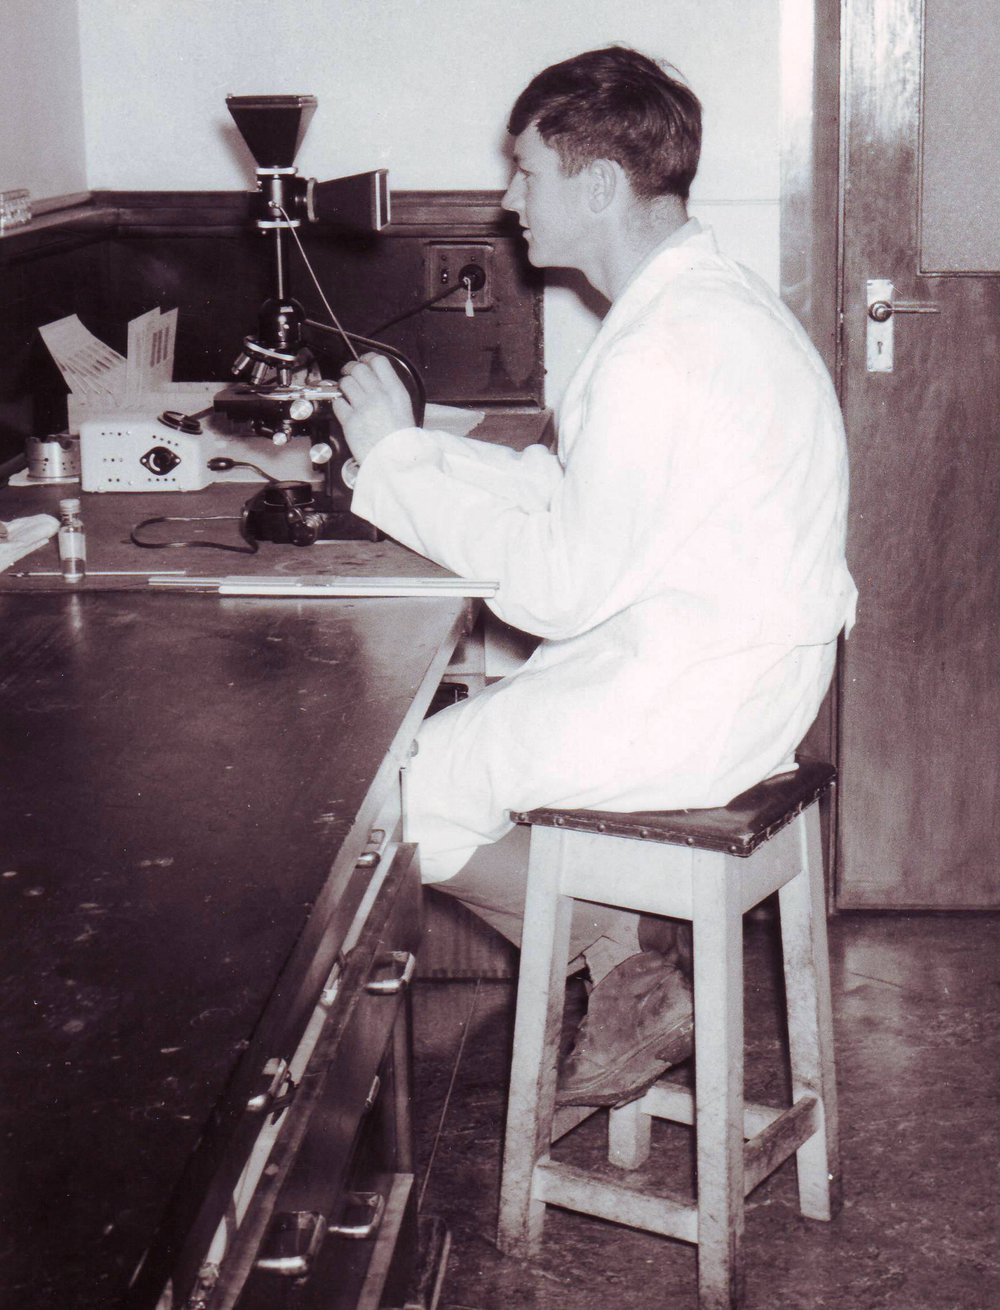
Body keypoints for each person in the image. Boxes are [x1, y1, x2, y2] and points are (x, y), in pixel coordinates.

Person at [332, 46, 857, 1106]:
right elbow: (573, 491)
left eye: (525, 171)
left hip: (698, 698)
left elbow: (559, 587)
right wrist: (412, 453)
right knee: (460, 744)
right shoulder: (699, 306)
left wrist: (392, 466)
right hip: (729, 666)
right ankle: (627, 960)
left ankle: (621, 957)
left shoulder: (663, 348)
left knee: (392, 797)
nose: (507, 198)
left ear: (600, 184)